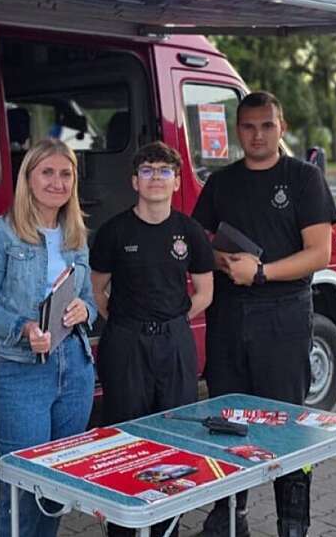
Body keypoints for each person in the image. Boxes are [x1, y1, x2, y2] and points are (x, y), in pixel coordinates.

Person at [192, 91, 336, 537]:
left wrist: (261, 272)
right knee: (225, 419)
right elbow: (202, 240)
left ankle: (293, 521)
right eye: (249, 126)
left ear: (282, 127)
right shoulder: (221, 183)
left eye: (267, 126)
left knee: (286, 424)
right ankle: (228, 513)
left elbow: (320, 253)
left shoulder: (303, 178)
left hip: (283, 315)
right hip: (228, 317)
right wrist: (220, 263)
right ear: (238, 130)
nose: (258, 135)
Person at [0, 138, 98, 537]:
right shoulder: (1, 234)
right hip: (21, 372)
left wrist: (83, 312)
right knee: (23, 483)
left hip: (74, 367)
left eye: (66, 174)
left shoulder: (75, 234)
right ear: (28, 177)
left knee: (58, 483)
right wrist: (24, 329)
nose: (57, 183)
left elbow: (90, 302)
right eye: (48, 172)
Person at [89, 141, 214, 537]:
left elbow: (205, 293)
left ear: (177, 181)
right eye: (147, 170)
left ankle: (166, 527)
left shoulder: (189, 231)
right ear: (134, 181)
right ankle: (124, 527)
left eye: (164, 171)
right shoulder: (114, 231)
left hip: (174, 344)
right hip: (126, 343)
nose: (156, 177)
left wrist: (171, 322)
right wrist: (130, 323)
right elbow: (97, 291)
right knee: (125, 437)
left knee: (173, 435)